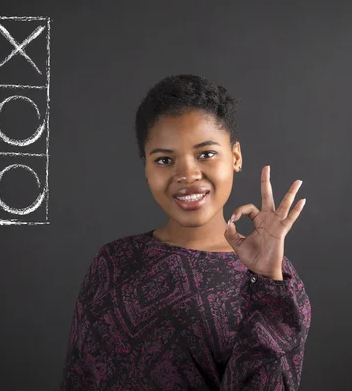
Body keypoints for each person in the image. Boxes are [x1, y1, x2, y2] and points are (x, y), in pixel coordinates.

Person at [60, 74, 311, 390]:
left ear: (235, 157)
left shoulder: (276, 281)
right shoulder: (112, 261)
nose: (187, 174)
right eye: (165, 159)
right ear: (146, 169)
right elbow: (79, 377)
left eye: (205, 153)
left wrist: (267, 281)